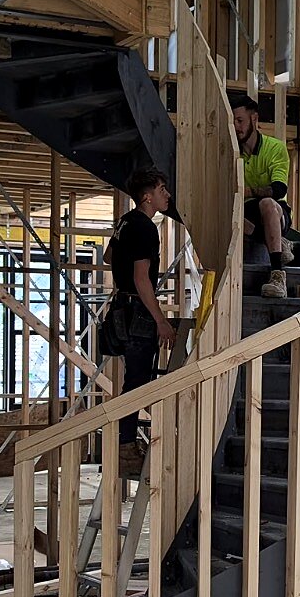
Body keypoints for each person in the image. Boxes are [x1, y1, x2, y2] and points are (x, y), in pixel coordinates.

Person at [104, 167, 176, 476]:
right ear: (147, 197)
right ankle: (126, 447)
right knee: (136, 381)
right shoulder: (146, 228)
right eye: (162, 190)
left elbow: (108, 257)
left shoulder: (124, 223)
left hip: (122, 304)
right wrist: (160, 320)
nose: (167, 195)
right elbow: (141, 278)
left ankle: (125, 443)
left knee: (132, 379)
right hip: (137, 310)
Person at [232, 94, 294, 298]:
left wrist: (247, 190)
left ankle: (278, 276)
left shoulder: (275, 148)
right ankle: (279, 244)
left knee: (267, 203)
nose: (236, 126)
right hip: (246, 214)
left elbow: (279, 190)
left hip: (276, 212)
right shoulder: (232, 154)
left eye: (239, 120)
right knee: (228, 214)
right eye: (232, 121)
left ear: (254, 119)